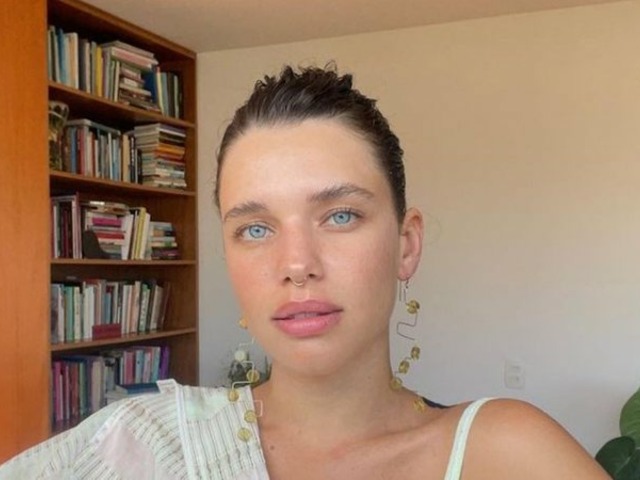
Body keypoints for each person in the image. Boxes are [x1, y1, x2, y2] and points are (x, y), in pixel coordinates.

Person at [0, 65, 608, 479]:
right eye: (255, 229)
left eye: (340, 216)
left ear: (406, 244)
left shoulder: (502, 452)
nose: (296, 265)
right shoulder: (143, 444)